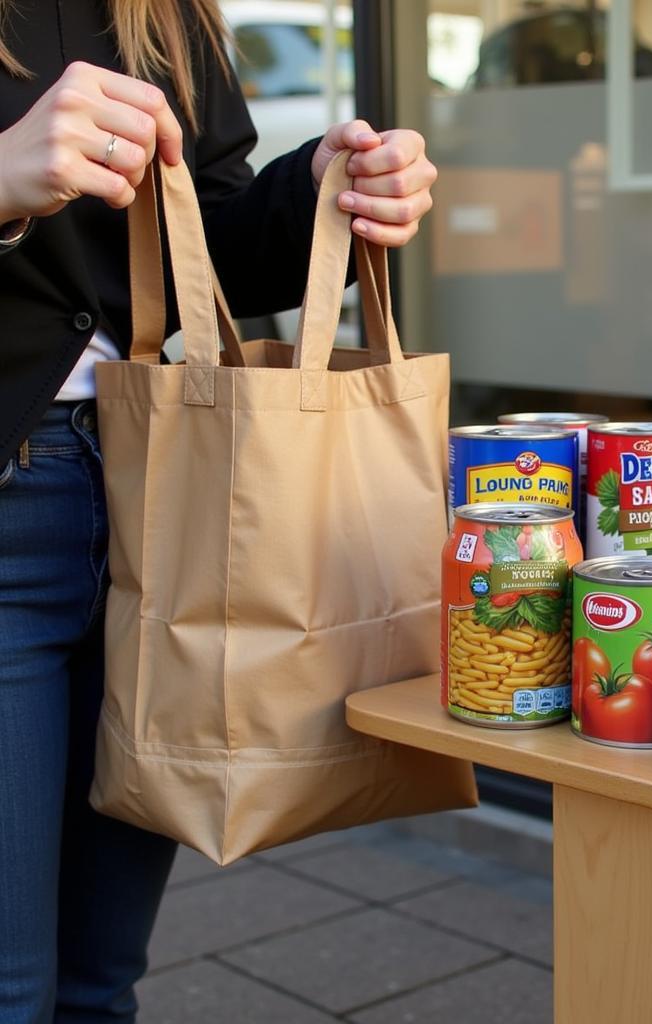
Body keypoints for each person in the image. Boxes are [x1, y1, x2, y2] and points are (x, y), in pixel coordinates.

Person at [0, 3, 437, 1020]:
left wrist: (323, 192)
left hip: (163, 497)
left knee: (100, 982)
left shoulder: (157, 9)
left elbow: (209, 240)